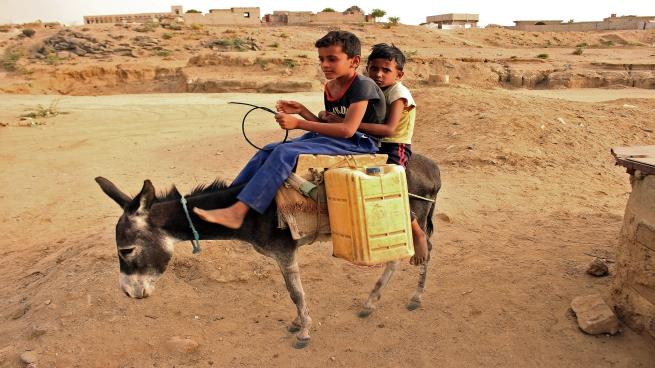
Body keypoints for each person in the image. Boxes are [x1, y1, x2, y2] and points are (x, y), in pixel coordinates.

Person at [193, 30, 385, 229]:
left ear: (354, 61)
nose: (325, 64)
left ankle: (238, 213)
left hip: (360, 143)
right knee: (269, 148)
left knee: (285, 152)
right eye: (321, 59)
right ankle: (229, 200)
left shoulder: (363, 85)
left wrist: (299, 124)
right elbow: (329, 128)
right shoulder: (330, 87)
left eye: (332, 59)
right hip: (339, 139)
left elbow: (347, 130)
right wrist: (302, 111)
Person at [322, 43, 428, 266]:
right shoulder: (368, 88)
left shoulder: (399, 93)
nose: (378, 74)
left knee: (387, 186)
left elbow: (389, 129)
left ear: (399, 74)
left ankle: (417, 232)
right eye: (374, 69)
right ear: (366, 68)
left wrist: (347, 124)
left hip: (393, 145)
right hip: (370, 141)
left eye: (386, 70)